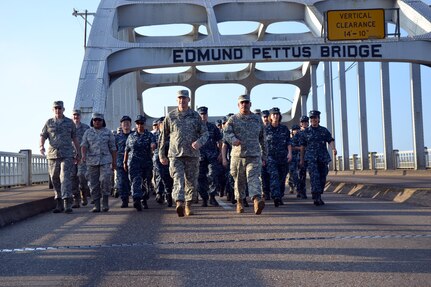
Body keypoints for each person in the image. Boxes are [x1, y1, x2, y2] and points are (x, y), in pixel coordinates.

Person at [159, 90, 208, 217]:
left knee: (191, 182)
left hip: (192, 154)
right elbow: (163, 137)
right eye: (180, 98)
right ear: (177, 100)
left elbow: (205, 133)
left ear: (189, 100)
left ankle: (188, 205)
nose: (182, 100)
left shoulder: (195, 116)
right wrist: (161, 154)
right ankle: (179, 202)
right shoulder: (171, 116)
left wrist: (199, 142)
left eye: (184, 98)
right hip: (175, 154)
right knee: (178, 179)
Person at [224, 94, 267, 214]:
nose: (244, 104)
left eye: (246, 102)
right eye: (242, 103)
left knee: (254, 178)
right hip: (238, 156)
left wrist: (264, 156)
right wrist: (233, 139)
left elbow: (263, 139)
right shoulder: (233, 119)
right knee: (239, 181)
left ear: (250, 104)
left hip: (254, 155)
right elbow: (226, 133)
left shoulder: (257, 119)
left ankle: (256, 199)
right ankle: (240, 202)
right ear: (238, 105)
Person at [40, 101, 81, 213]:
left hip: (67, 155)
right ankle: (58, 203)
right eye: (56, 108)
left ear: (63, 109)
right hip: (52, 155)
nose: (58, 110)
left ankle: (67, 203)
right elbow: (43, 135)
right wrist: (41, 146)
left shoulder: (69, 122)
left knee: (65, 178)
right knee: (55, 178)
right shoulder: (49, 122)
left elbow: (75, 138)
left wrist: (78, 153)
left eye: (59, 108)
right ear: (53, 110)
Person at [299, 110, 337, 206]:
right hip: (311, 158)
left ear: (318, 119)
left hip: (322, 157)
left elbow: (330, 140)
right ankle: (316, 197)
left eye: (315, 118)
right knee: (314, 176)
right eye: (311, 118)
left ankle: (318, 193)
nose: (313, 120)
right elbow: (302, 147)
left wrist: (333, 149)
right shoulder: (306, 132)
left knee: (323, 176)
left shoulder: (323, 130)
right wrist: (302, 160)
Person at [81, 113, 117, 212]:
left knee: (105, 180)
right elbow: (84, 145)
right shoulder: (87, 132)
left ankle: (105, 202)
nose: (97, 121)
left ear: (102, 121)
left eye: (99, 120)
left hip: (105, 160)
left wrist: (114, 162)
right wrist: (83, 155)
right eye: (95, 120)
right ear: (92, 121)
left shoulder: (108, 132)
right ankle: (97, 205)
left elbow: (113, 148)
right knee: (93, 184)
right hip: (91, 162)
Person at [124, 115, 156, 211]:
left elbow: (154, 144)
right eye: (138, 123)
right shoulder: (131, 136)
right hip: (134, 162)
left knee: (146, 182)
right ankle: (136, 199)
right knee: (135, 180)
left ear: (144, 124)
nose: (139, 125)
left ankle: (144, 199)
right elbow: (127, 149)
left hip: (146, 163)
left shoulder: (150, 135)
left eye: (141, 123)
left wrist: (153, 145)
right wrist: (124, 162)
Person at [265, 107, 292, 207]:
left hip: (283, 157)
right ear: (270, 117)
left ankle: (279, 195)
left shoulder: (284, 129)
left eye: (277, 114)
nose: (275, 116)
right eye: (273, 114)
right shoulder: (265, 129)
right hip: (270, 157)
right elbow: (261, 144)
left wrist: (289, 153)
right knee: (274, 176)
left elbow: (288, 142)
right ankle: (276, 197)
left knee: (282, 178)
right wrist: (262, 157)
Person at [197, 106, 223, 207]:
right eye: (201, 114)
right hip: (200, 156)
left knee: (213, 175)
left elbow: (220, 141)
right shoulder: (195, 128)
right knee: (200, 177)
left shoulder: (213, 127)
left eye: (205, 114)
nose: (203, 116)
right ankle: (204, 198)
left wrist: (221, 153)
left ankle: (212, 196)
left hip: (212, 156)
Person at [71, 109, 90, 208]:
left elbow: (90, 142)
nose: (76, 117)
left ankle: (84, 194)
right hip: (71, 157)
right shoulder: (68, 128)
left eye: (77, 115)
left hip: (82, 157)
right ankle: (76, 199)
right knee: (73, 177)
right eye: (74, 115)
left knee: (82, 176)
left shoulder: (86, 128)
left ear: (80, 116)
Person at [153, 117, 174, 207]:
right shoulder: (154, 135)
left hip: (169, 158)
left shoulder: (172, 135)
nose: (163, 125)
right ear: (158, 125)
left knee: (168, 177)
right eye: (161, 124)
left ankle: (168, 193)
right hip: (158, 159)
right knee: (159, 176)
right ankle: (159, 193)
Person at [115, 115, 132, 208]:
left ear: (130, 124)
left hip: (133, 163)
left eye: (128, 123)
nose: (126, 124)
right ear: (121, 125)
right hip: (120, 163)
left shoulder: (134, 135)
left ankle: (137, 198)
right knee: (122, 182)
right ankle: (124, 199)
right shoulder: (117, 137)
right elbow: (114, 150)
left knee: (133, 182)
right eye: (124, 123)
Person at [296, 115, 309, 199]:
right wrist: (300, 148)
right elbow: (292, 145)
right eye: (303, 122)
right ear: (300, 123)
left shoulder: (311, 132)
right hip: (301, 157)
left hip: (311, 156)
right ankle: (301, 191)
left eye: (306, 122)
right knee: (302, 175)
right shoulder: (298, 134)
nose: (304, 123)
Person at [288, 124, 301, 198]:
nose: (296, 131)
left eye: (297, 129)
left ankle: (299, 189)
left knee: (299, 174)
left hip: (300, 158)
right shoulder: (290, 139)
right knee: (292, 172)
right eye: (294, 130)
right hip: (292, 158)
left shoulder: (301, 138)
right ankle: (293, 186)